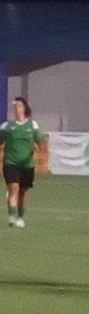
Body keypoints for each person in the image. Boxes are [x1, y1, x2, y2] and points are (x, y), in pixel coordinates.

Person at [0, 97, 46, 228]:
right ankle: (11, 216)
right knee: (14, 188)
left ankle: (20, 216)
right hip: (10, 163)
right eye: (15, 106)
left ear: (24, 108)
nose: (17, 109)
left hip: (27, 165)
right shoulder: (7, 126)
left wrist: (41, 155)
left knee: (22, 192)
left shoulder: (32, 125)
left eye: (19, 106)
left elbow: (41, 142)